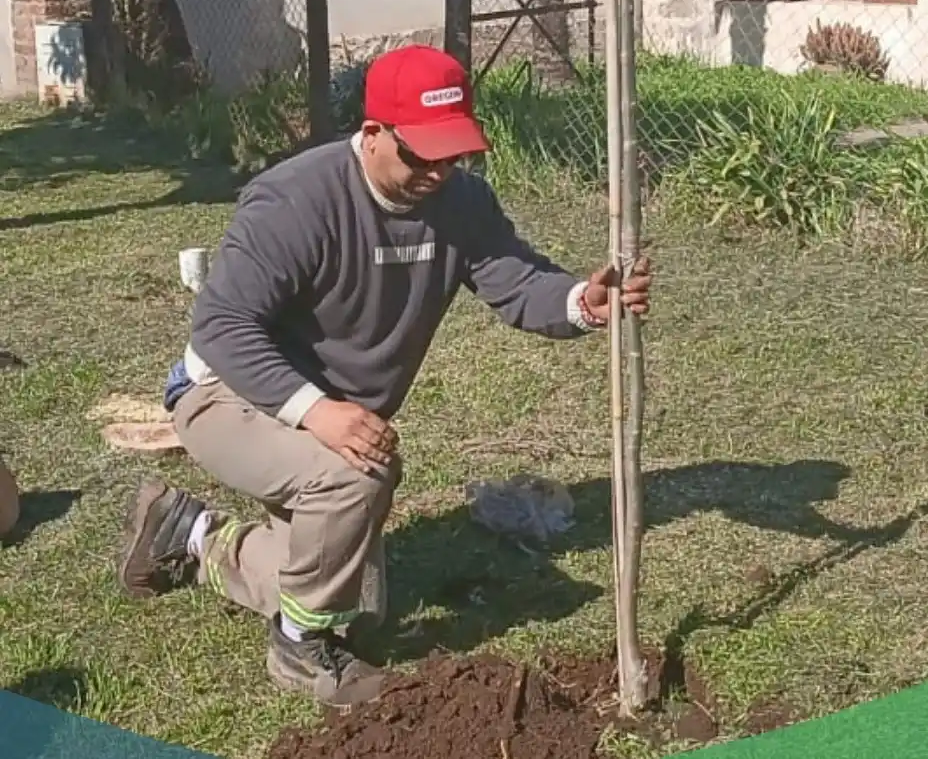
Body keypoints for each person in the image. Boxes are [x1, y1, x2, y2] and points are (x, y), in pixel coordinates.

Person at [116, 44, 653, 711]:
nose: (438, 171)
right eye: (421, 153)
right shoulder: (296, 201)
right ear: (372, 134)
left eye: (452, 152)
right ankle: (295, 648)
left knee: (357, 611)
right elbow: (221, 330)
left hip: (324, 412)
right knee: (355, 479)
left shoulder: (461, 203)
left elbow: (513, 279)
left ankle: (191, 536)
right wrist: (317, 412)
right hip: (225, 393)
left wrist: (578, 301)